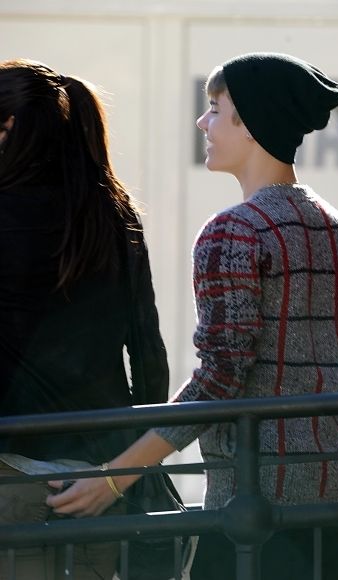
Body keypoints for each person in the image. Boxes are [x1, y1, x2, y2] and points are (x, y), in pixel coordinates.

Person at [47, 52, 338, 579]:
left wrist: (114, 477)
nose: (203, 122)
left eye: (216, 109)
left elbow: (220, 377)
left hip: (249, 506)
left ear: (251, 124)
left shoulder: (233, 232)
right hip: (329, 492)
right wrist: (315, 443)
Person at [0, 59, 169, 580]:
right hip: (99, 480)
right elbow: (149, 354)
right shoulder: (115, 214)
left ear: (11, 128)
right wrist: (134, 466)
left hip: (10, 475)